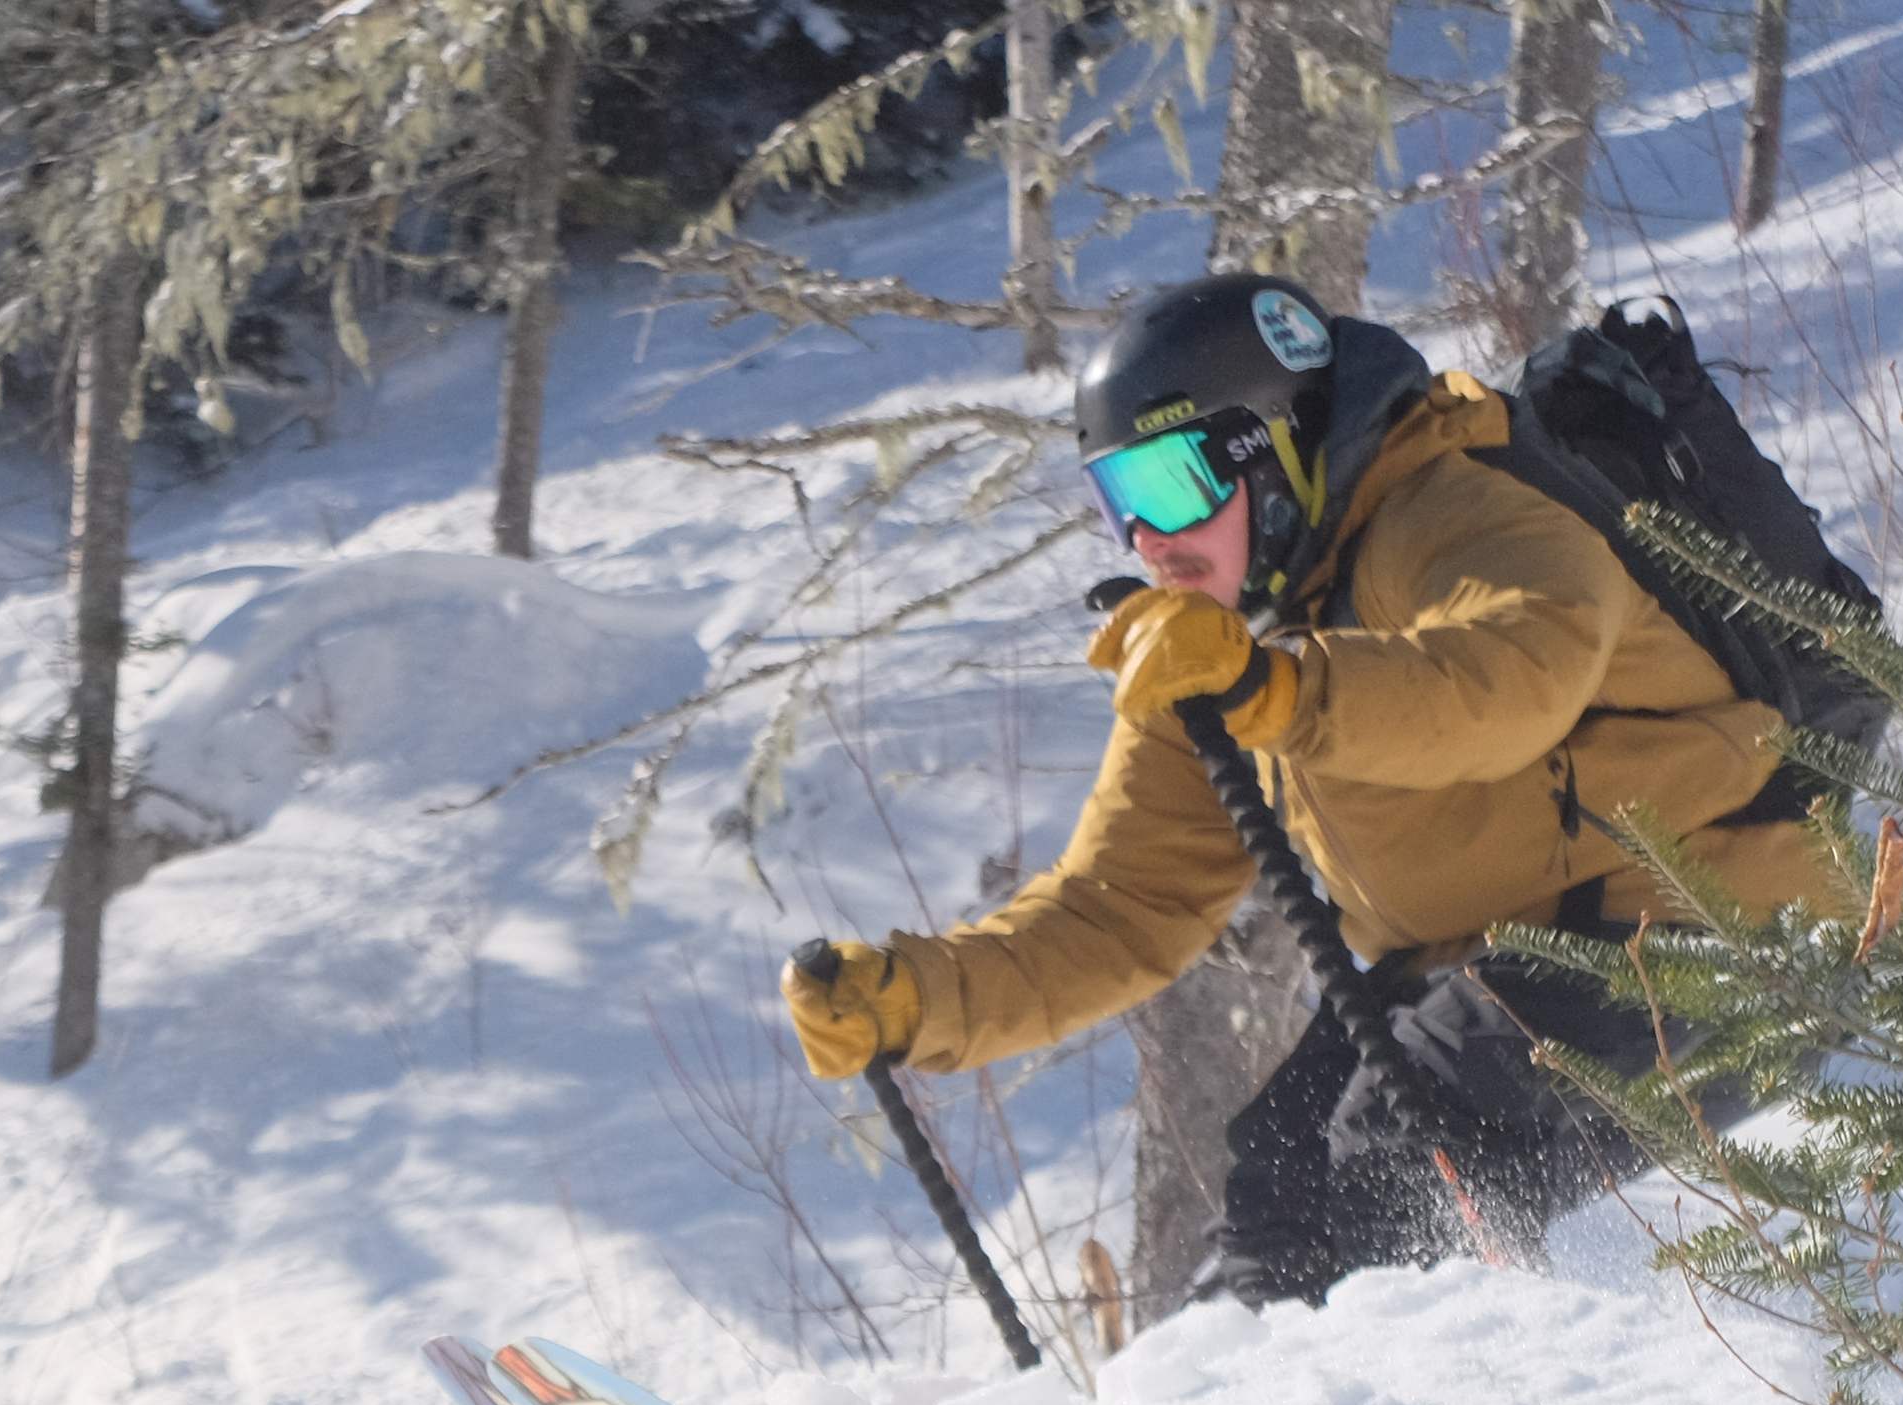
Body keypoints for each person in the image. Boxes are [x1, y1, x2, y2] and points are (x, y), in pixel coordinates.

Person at [780, 273, 1842, 1306]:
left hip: (1722, 932)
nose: (1148, 541)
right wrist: (920, 1000)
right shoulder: (1230, 646)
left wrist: (1278, 691)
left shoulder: (1459, 508)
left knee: (1397, 1159)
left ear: (1272, 448)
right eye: (1120, 502)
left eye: (1170, 486)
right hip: (1503, 955)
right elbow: (1127, 904)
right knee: (1278, 1185)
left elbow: (1510, 678)